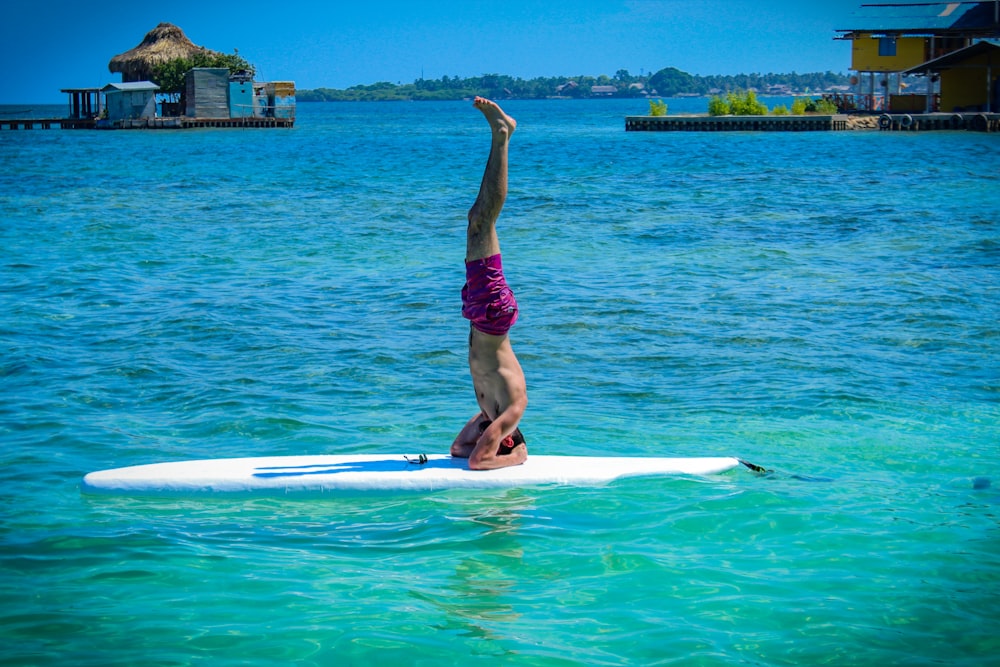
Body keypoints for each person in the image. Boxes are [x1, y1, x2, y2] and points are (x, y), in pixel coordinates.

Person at [449, 97, 528, 470]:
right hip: (491, 315)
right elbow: (480, 462)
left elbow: (460, 451)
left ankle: (502, 135)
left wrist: (489, 436)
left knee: (477, 220)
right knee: (481, 220)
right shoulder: (513, 409)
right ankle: (502, 134)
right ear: (506, 436)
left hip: (480, 316)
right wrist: (515, 458)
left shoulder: (491, 413)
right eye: (496, 437)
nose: (485, 435)